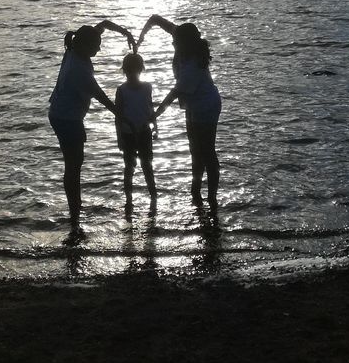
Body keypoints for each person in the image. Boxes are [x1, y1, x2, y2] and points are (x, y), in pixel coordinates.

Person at [48, 21, 135, 223]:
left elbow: (103, 24)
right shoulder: (79, 70)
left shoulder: (74, 48)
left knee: (74, 163)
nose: (99, 48)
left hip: (59, 113)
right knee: (73, 165)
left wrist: (125, 32)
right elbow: (101, 97)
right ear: (85, 46)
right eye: (96, 45)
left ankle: (75, 207)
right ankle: (75, 210)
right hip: (66, 118)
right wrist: (123, 117)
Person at [139, 15, 222, 210]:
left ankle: (211, 197)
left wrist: (156, 114)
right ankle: (195, 191)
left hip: (206, 106)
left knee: (207, 151)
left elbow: (175, 93)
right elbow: (156, 19)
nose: (172, 42)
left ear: (185, 44)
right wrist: (142, 36)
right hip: (194, 105)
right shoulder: (182, 37)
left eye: (175, 42)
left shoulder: (192, 66)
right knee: (195, 149)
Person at [114, 52, 158, 209]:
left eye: (135, 70)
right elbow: (118, 116)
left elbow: (150, 107)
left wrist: (156, 126)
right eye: (129, 71)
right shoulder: (121, 90)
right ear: (125, 71)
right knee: (129, 167)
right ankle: (128, 200)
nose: (132, 74)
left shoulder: (147, 87)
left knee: (147, 166)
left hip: (145, 132)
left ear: (140, 70)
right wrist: (119, 137)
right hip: (128, 134)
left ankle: (153, 196)